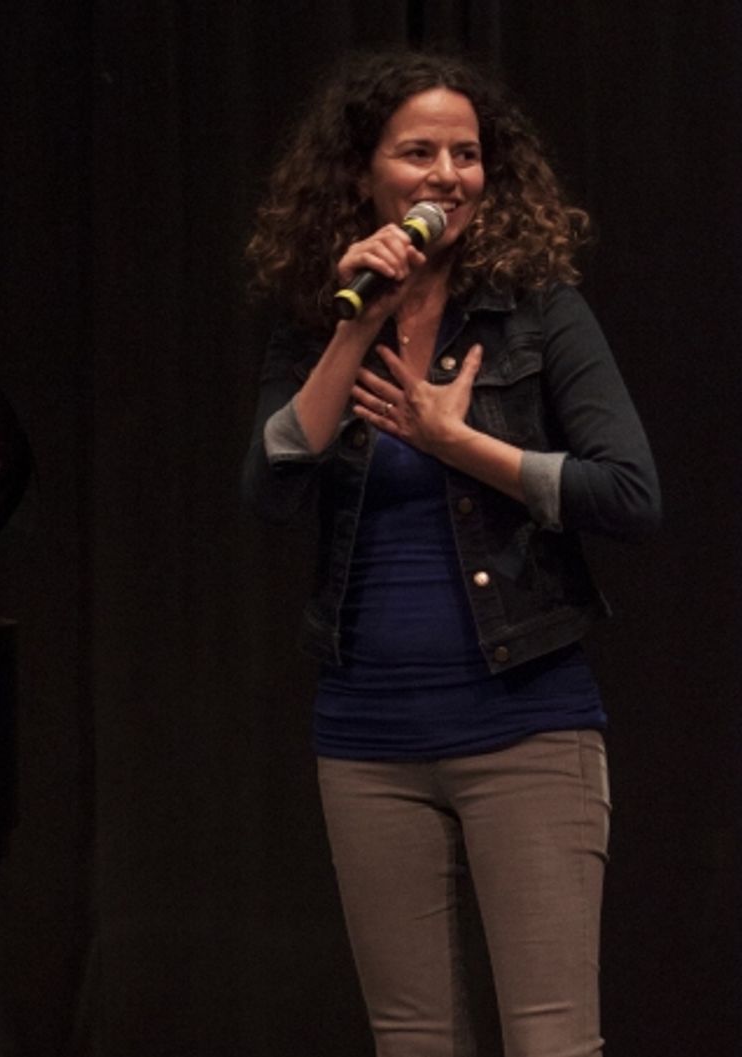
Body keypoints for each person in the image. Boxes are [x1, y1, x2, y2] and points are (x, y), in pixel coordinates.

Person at [241, 50, 659, 1056]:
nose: (444, 176)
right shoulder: (320, 318)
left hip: (524, 727)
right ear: (363, 175)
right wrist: (356, 327)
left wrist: (457, 444)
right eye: (417, 152)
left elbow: (629, 495)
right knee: (413, 1037)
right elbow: (268, 490)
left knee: (551, 1040)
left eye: (464, 155)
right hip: (367, 737)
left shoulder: (537, 310)